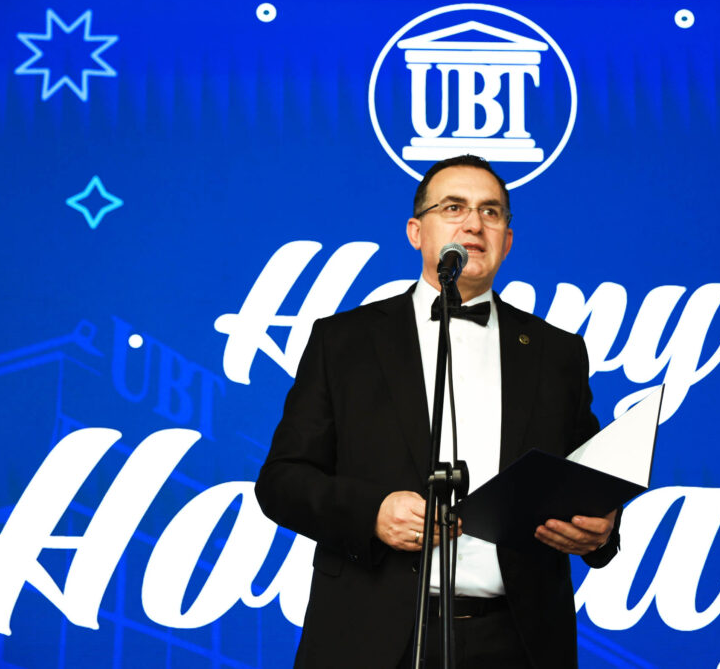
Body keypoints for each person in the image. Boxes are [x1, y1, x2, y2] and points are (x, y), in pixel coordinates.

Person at [256, 155, 621, 669]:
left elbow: (588, 482)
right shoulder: (344, 342)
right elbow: (281, 481)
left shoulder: (557, 353)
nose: (473, 223)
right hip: (369, 637)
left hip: (519, 641)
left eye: (491, 212)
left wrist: (602, 530)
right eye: (453, 207)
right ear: (416, 232)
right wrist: (373, 513)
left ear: (507, 240)